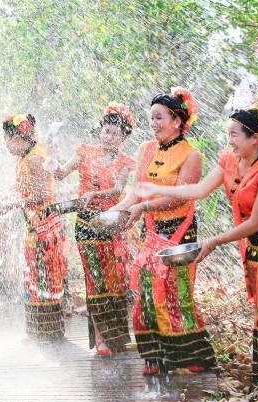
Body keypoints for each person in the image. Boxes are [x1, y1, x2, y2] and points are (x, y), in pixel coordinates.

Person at [136, 101, 258, 383]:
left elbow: (256, 222)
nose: (228, 140)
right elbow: (198, 189)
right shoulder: (230, 160)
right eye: (228, 134)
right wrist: (155, 188)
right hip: (252, 241)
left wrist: (215, 241)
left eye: (234, 135)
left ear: (254, 137)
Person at [109, 88, 216, 375]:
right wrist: (117, 211)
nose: (153, 123)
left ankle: (189, 357)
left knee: (176, 293)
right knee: (147, 291)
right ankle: (155, 357)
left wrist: (143, 208)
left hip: (179, 232)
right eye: (151, 118)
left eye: (159, 118)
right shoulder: (145, 149)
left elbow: (181, 196)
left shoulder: (191, 155)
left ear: (177, 121)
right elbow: (135, 191)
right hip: (152, 229)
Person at [54, 104, 136, 356]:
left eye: (114, 133)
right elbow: (61, 173)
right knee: (95, 279)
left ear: (123, 138)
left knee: (117, 280)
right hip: (87, 224)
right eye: (105, 131)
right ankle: (101, 339)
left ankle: (119, 336)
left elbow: (119, 190)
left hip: (112, 224)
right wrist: (53, 163)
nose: (108, 137)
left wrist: (95, 194)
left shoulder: (125, 161)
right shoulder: (84, 151)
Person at [3, 114, 68, 340]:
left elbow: (42, 194)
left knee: (44, 278)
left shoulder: (35, 157)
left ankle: (48, 334)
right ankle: (38, 332)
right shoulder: (25, 156)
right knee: (34, 276)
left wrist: (12, 204)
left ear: (20, 137)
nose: (6, 144)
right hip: (34, 226)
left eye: (7, 139)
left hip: (45, 229)